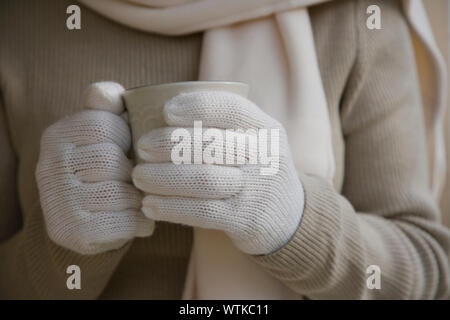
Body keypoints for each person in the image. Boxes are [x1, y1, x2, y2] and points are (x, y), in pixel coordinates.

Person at [0, 0, 449, 299]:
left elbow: (429, 272)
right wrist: (61, 249)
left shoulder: (354, 15)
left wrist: (297, 222)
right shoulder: (18, 21)